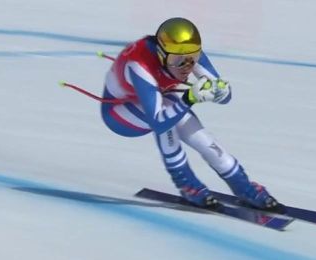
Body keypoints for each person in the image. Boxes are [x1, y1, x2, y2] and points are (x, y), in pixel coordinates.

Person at [100, 17, 280, 210]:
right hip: (119, 113)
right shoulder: (139, 65)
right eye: (178, 61)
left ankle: (243, 185)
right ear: (161, 54)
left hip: (155, 100)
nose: (186, 66)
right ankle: (186, 183)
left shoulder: (185, 51)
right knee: (168, 121)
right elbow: (159, 122)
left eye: (192, 58)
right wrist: (189, 99)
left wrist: (220, 91)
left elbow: (225, 97)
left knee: (198, 134)